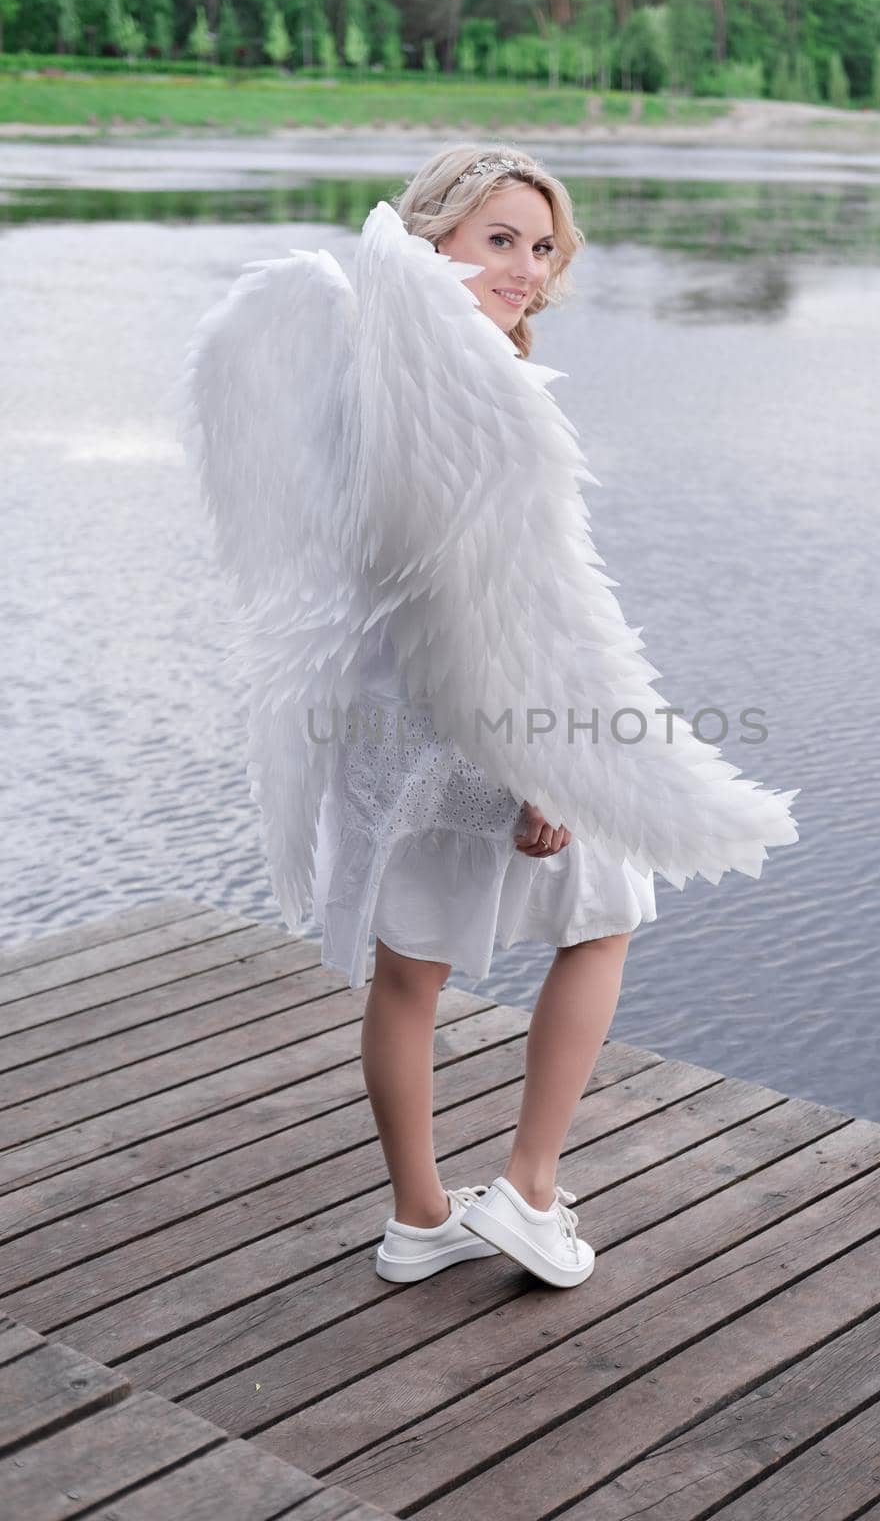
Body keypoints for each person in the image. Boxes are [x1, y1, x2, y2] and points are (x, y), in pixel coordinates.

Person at [178, 141, 800, 1291]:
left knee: (405, 976)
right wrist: (547, 769)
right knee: (605, 910)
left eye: (541, 247)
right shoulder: (475, 390)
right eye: (498, 240)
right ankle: (526, 1184)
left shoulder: (350, 360)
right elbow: (505, 604)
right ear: (431, 240)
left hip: (378, 713)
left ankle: (418, 1218)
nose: (524, 267)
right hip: (472, 713)